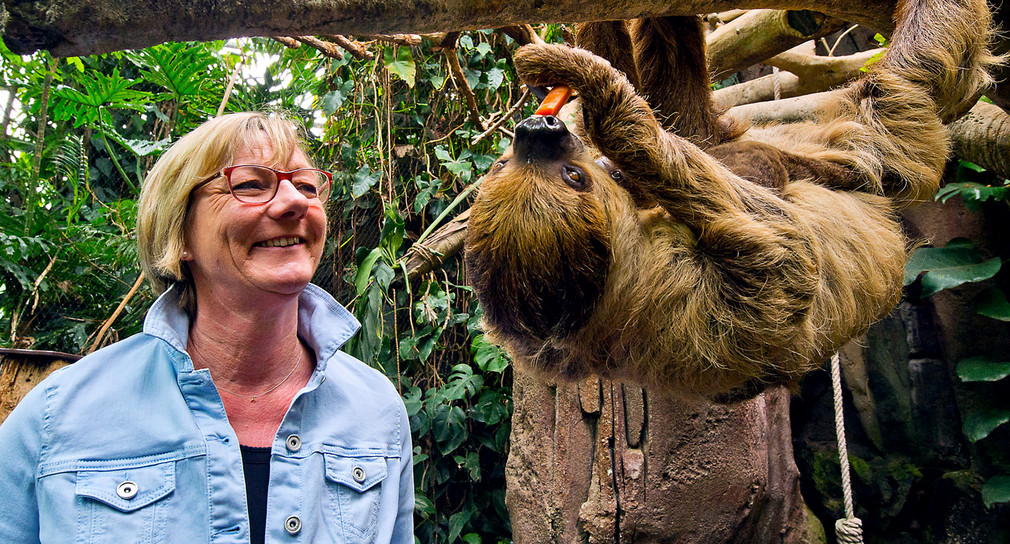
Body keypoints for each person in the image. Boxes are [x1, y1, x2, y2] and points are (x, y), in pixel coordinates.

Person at [0, 112, 414, 543]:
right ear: (179, 234)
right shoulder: (56, 417)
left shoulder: (377, 412)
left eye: (308, 185)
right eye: (252, 184)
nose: (296, 202)